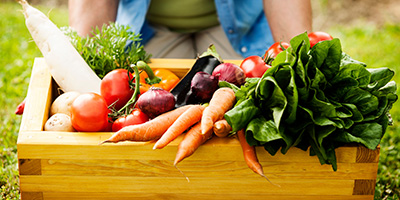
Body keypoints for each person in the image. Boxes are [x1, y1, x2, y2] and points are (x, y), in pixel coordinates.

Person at [68, 0, 312, 59]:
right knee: (146, 107)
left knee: (256, 104)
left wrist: (300, 60)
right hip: (149, 27)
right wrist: (81, 65)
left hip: (239, 27)